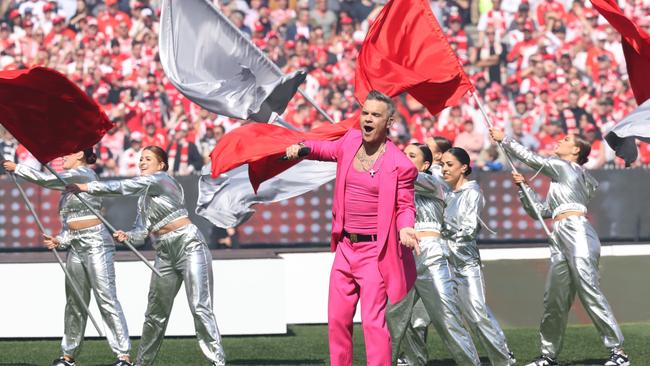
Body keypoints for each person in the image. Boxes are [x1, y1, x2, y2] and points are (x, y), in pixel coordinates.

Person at [285, 90, 420, 366]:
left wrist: (406, 228)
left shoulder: (401, 165)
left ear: (389, 122)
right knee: (337, 320)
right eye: (365, 113)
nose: (368, 119)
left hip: (375, 253)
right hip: (346, 248)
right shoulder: (350, 141)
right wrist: (303, 148)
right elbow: (326, 149)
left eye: (375, 115)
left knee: (373, 324)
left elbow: (406, 206)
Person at [66, 146, 225, 366]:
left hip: (189, 245)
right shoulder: (144, 198)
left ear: (161, 165)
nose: (141, 162)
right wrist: (128, 235)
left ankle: (217, 362)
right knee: (155, 313)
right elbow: (141, 232)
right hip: (164, 252)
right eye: (140, 159)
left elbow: (123, 186)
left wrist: (86, 187)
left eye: (147, 159)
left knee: (200, 306)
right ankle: (142, 363)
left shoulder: (160, 180)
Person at [489, 128, 629, 366]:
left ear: (576, 150)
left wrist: (506, 140)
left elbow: (533, 160)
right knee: (554, 298)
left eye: (566, 140)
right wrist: (525, 189)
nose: (559, 141)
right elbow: (540, 212)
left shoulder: (566, 167)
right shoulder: (565, 177)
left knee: (589, 290)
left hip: (578, 231)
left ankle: (619, 352)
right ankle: (548, 355)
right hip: (560, 233)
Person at [3, 149, 132, 366]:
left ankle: (124, 356)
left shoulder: (84, 175)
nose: (62, 157)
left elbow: (46, 180)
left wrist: (18, 168)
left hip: (97, 244)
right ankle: (68, 355)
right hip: (76, 246)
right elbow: (72, 223)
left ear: (81, 154)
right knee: (75, 301)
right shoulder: (68, 189)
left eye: (67, 154)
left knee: (106, 298)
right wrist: (59, 240)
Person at [387, 143, 481, 366]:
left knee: (447, 319)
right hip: (405, 257)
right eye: (403, 155)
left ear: (426, 164)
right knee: (394, 317)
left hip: (432, 255)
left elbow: (407, 176)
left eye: (411, 155)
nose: (404, 159)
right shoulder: (399, 189)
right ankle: (414, 362)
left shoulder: (433, 181)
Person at [440, 147, 516, 366]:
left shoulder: (472, 192)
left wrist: (440, 238)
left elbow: (469, 229)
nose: (444, 169)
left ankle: (504, 358)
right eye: (443, 164)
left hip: (466, 264)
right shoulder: (447, 193)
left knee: (478, 314)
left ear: (464, 168)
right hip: (445, 266)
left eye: (449, 164)